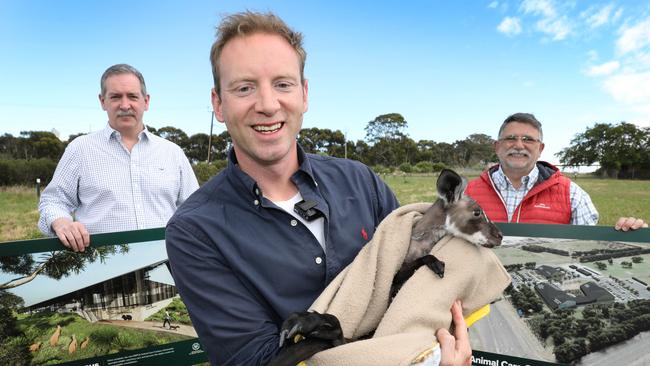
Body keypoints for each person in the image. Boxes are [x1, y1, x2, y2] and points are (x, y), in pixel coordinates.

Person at [165, 11, 471, 366]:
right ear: (219, 104)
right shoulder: (195, 230)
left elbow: (418, 281)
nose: (267, 104)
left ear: (304, 94)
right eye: (244, 87)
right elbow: (253, 359)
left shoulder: (361, 182)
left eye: (282, 84)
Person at [38, 64, 199, 252]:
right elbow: (53, 201)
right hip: (103, 268)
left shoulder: (173, 153)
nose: (124, 105)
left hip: (166, 266)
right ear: (102, 101)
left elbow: (194, 211)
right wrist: (61, 222)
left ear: (146, 101)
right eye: (115, 97)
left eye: (132, 96)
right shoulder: (80, 149)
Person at [465, 112, 647, 230]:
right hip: (479, 287)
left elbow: (585, 250)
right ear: (497, 147)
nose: (519, 145)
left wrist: (628, 235)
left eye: (528, 139)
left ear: (541, 148)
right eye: (511, 138)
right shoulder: (466, 193)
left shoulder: (573, 195)